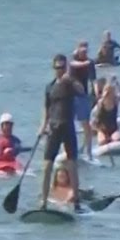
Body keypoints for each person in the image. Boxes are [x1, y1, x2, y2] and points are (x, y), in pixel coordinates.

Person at [38, 53, 86, 212]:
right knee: (47, 166)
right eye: (57, 67)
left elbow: (82, 90)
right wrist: (42, 126)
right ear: (54, 68)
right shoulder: (49, 86)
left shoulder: (69, 83)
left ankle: (77, 202)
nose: (60, 70)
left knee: (72, 165)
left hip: (68, 127)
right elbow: (46, 108)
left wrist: (70, 78)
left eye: (62, 67)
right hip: (53, 127)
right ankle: (43, 202)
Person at [69, 40, 98, 159]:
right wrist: (87, 62)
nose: (84, 51)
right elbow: (74, 65)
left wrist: (97, 94)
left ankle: (88, 152)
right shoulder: (73, 61)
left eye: (86, 49)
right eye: (82, 49)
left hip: (83, 97)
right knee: (69, 123)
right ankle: (70, 150)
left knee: (86, 124)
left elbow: (93, 80)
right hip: (71, 96)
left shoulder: (90, 63)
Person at [90, 77, 120, 148]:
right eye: (108, 92)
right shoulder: (101, 103)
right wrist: (104, 94)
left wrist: (117, 83)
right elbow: (99, 98)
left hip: (113, 129)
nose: (109, 94)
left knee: (117, 140)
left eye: (111, 92)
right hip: (102, 130)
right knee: (102, 142)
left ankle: (112, 137)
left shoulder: (115, 102)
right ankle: (103, 137)